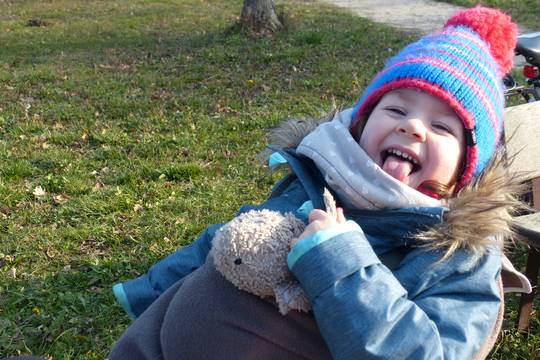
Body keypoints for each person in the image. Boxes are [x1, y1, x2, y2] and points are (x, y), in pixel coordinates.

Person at [109, 6, 531, 360]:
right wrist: (154, 290)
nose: (414, 128)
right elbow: (234, 238)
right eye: (397, 109)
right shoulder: (321, 174)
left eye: (442, 126)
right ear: (363, 121)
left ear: (465, 169)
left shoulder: (460, 255)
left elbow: (426, 351)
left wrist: (339, 262)